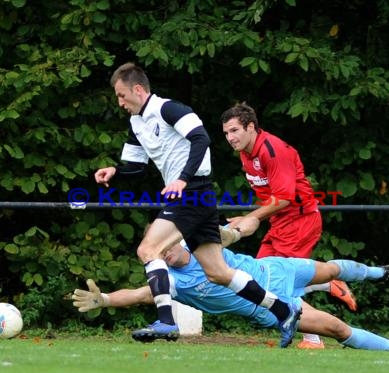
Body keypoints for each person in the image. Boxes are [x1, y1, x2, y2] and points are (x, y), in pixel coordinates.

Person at [94, 63, 300, 348]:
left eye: (121, 95)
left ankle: (166, 320)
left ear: (138, 90)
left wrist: (182, 179)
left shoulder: (169, 109)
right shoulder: (136, 124)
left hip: (190, 191)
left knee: (148, 249)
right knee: (218, 273)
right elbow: (136, 167)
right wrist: (116, 172)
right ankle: (283, 310)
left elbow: (200, 138)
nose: (120, 102)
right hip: (194, 195)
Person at [71, 243, 389, 352]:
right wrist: (104, 299)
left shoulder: (201, 237)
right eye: (160, 254)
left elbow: (234, 228)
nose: (166, 255)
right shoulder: (173, 282)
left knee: (329, 269)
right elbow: (137, 295)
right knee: (337, 327)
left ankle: (382, 271)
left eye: (168, 248)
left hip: (274, 270)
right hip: (268, 308)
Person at [219, 102, 342, 349]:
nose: (230, 138)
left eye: (234, 131)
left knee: (281, 282)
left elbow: (284, 198)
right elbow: (269, 194)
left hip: (300, 221)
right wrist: (251, 217)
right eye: (226, 133)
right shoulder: (246, 153)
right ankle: (328, 283)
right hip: (280, 223)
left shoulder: (272, 151)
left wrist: (251, 217)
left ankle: (313, 338)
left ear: (251, 127)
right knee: (260, 276)